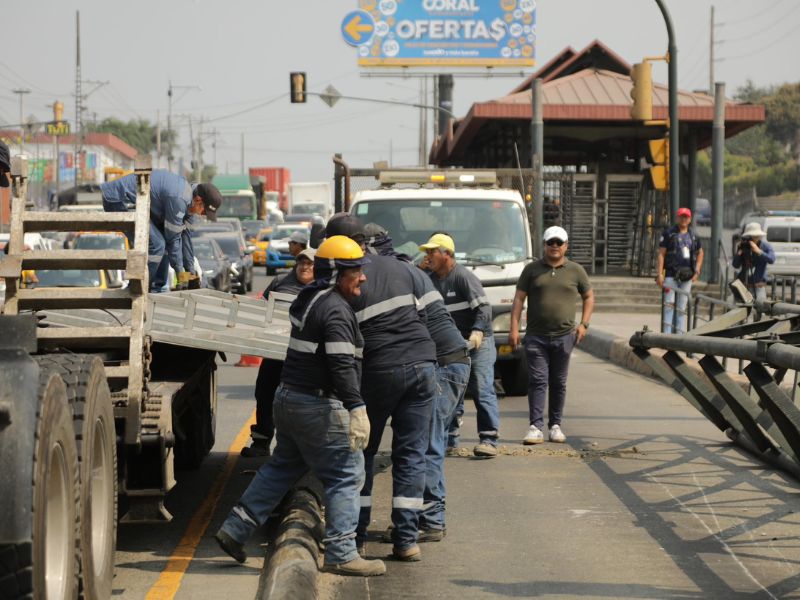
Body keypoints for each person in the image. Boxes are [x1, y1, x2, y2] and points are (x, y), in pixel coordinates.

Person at [216, 236, 386, 577]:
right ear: (337, 272)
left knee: (282, 467)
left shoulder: (310, 297)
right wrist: (356, 408)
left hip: (289, 399)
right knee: (346, 474)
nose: (363, 278)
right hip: (317, 405)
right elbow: (340, 365)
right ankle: (341, 553)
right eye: (356, 271)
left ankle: (235, 530)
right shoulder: (336, 311)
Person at [326, 214, 437, 562]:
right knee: (412, 456)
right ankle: (406, 540)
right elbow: (430, 316)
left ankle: (356, 537)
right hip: (423, 365)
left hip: (379, 370)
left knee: (363, 453)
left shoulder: (347, 277)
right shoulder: (404, 268)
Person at [364, 224, 470, 543]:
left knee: (425, 446)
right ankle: (417, 522)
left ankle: (432, 521)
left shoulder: (391, 275)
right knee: (421, 445)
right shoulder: (406, 271)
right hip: (445, 363)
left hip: (442, 365)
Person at [509, 226, 594, 445]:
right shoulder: (532, 270)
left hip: (565, 335)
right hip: (536, 335)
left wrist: (584, 324)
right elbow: (519, 299)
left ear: (566, 245)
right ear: (544, 245)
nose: (554, 247)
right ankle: (535, 426)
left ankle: (555, 425)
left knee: (558, 381)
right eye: (550, 243)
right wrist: (513, 328)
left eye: (559, 243)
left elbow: (589, 297)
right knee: (537, 380)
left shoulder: (575, 270)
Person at [420, 233, 500, 458]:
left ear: (446, 254)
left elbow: (484, 308)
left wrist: (477, 332)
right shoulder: (429, 279)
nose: (427, 256)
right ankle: (450, 438)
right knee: (449, 388)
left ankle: (489, 439)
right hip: (452, 345)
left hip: (478, 342)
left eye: (431, 252)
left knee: (481, 388)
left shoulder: (463, 277)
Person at [241, 248, 316, 457]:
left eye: (310, 264)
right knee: (264, 392)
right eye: (301, 262)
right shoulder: (281, 280)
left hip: (305, 358)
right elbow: (261, 308)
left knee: (303, 400)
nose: (305, 267)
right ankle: (261, 442)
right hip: (275, 354)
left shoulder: (324, 287)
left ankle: (303, 448)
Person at [100, 169, 222, 293]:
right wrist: (181, 277)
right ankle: (137, 287)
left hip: (135, 202)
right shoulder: (179, 200)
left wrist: (191, 276)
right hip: (119, 200)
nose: (203, 215)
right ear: (198, 200)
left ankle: (156, 288)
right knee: (157, 244)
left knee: (162, 244)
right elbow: (173, 240)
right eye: (204, 211)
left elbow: (185, 240)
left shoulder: (190, 202)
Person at [655, 207, 704, 334]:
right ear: (677, 218)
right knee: (669, 305)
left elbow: (700, 253)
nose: (684, 219)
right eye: (681, 216)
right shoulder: (669, 233)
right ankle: (666, 334)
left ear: (690, 219)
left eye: (686, 217)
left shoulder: (694, 235)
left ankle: (679, 334)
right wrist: (660, 274)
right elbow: (661, 254)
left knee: (682, 307)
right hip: (671, 274)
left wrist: (697, 270)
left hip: (687, 275)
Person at [732, 222, 775, 302]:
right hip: (744, 286)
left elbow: (772, 259)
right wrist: (739, 253)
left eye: (757, 236)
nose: (755, 239)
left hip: (759, 286)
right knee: (741, 310)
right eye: (752, 237)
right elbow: (735, 265)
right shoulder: (744, 246)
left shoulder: (765, 246)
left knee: (761, 308)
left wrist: (759, 251)